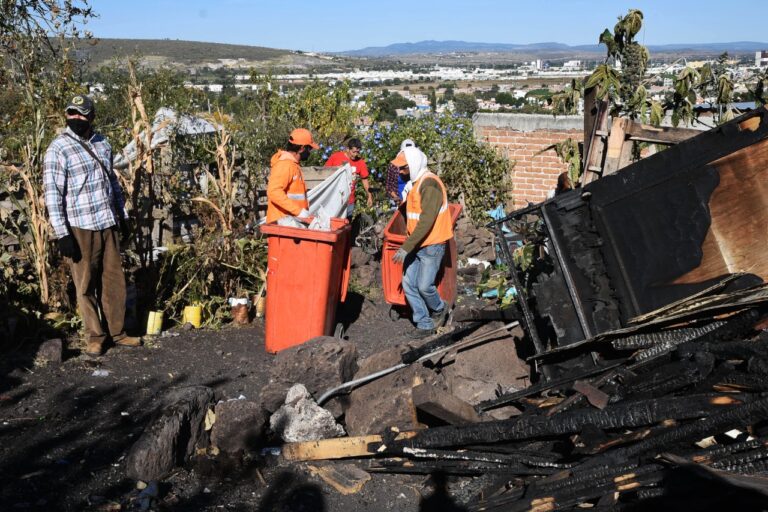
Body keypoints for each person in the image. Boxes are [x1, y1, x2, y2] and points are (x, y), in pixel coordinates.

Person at [43, 94, 141, 357]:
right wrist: (63, 234)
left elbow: (113, 183)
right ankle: (95, 337)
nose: (75, 118)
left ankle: (118, 332)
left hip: (107, 221)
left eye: (81, 114)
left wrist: (122, 216)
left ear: (91, 117)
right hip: (80, 226)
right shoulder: (58, 149)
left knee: (114, 281)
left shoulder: (102, 143)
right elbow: (53, 194)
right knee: (85, 285)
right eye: (71, 113)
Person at [391, 146, 453, 339]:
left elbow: (426, 221)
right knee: (409, 284)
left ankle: (440, 308)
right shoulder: (417, 183)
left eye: (404, 168)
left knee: (425, 286)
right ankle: (424, 323)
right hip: (417, 244)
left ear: (414, 164)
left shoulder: (430, 185)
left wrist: (406, 247)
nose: (401, 172)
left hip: (432, 245)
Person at [266, 128, 318, 223]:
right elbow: (274, 192)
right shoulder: (285, 165)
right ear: (302, 148)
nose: (310, 152)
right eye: (309, 148)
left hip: (290, 222)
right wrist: (299, 212)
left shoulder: (292, 165)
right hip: (281, 225)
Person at [324, 137, 373, 218]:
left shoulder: (360, 163)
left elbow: (365, 181)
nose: (355, 154)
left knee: (347, 223)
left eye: (357, 152)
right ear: (347, 149)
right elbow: (324, 172)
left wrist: (369, 196)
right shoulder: (336, 157)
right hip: (333, 198)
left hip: (349, 200)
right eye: (353, 152)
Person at [385, 139, 416, 206]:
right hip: (398, 201)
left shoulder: (417, 166)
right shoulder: (393, 166)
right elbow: (389, 186)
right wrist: (396, 198)